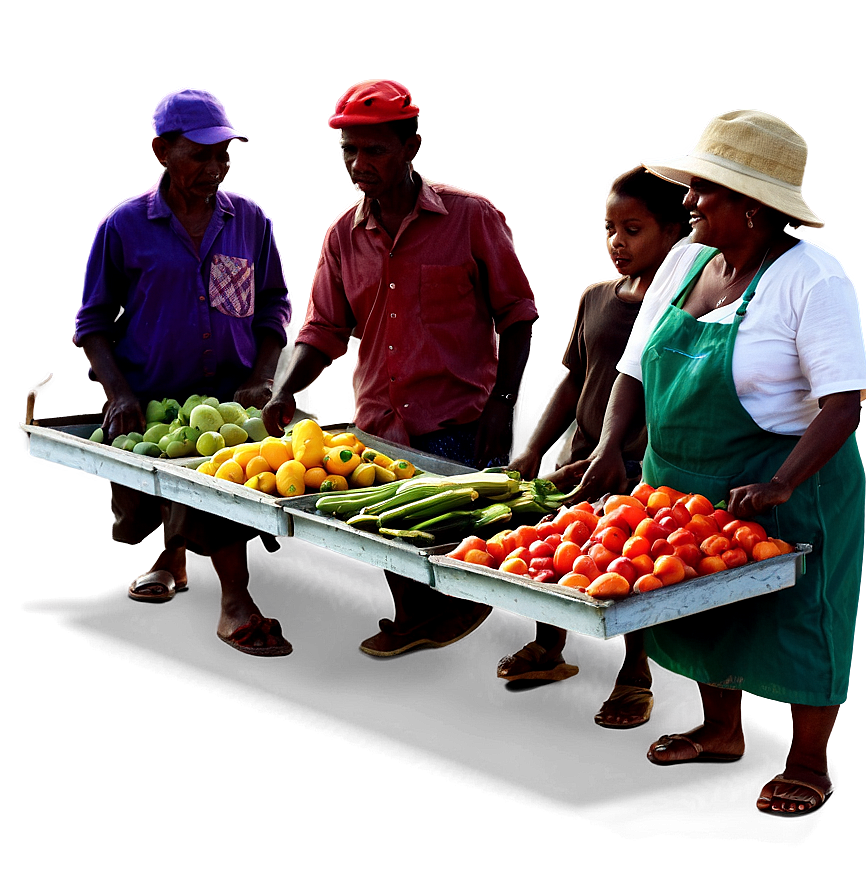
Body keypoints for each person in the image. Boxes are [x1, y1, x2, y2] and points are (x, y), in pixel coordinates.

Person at [576, 109, 866, 814]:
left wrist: (780, 484)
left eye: (703, 189)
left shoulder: (811, 280)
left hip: (789, 479)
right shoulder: (685, 261)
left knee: (805, 616)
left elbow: (840, 407)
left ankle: (807, 760)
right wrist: (608, 451)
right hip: (681, 480)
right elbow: (633, 369)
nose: (687, 200)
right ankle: (722, 730)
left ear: (753, 206)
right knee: (696, 603)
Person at [263, 78, 538, 656]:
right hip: (380, 422)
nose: (359, 164)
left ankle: (466, 616)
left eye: (375, 149)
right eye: (350, 151)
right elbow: (324, 328)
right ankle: (411, 616)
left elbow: (517, 314)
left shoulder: (470, 218)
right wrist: (284, 392)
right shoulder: (344, 235)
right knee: (389, 536)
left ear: (411, 147)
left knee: (465, 543)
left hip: (458, 419)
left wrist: (504, 402)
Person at [74, 86, 294, 657]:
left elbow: (273, 305)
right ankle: (172, 558)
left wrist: (263, 375)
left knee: (217, 487)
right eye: (201, 154)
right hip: (153, 397)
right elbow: (93, 322)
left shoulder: (249, 222)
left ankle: (236, 602)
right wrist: (119, 394)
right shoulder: (124, 227)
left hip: (227, 397)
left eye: (225, 154)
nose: (217, 168)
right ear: (160, 152)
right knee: (161, 483)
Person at [499, 168, 689, 729]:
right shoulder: (597, 298)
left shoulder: (688, 309)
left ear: (676, 233)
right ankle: (547, 644)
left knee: (634, 569)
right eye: (610, 229)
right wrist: (535, 448)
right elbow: (573, 379)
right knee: (554, 553)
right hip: (580, 458)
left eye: (633, 229)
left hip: (641, 468)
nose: (617, 243)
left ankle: (636, 668)